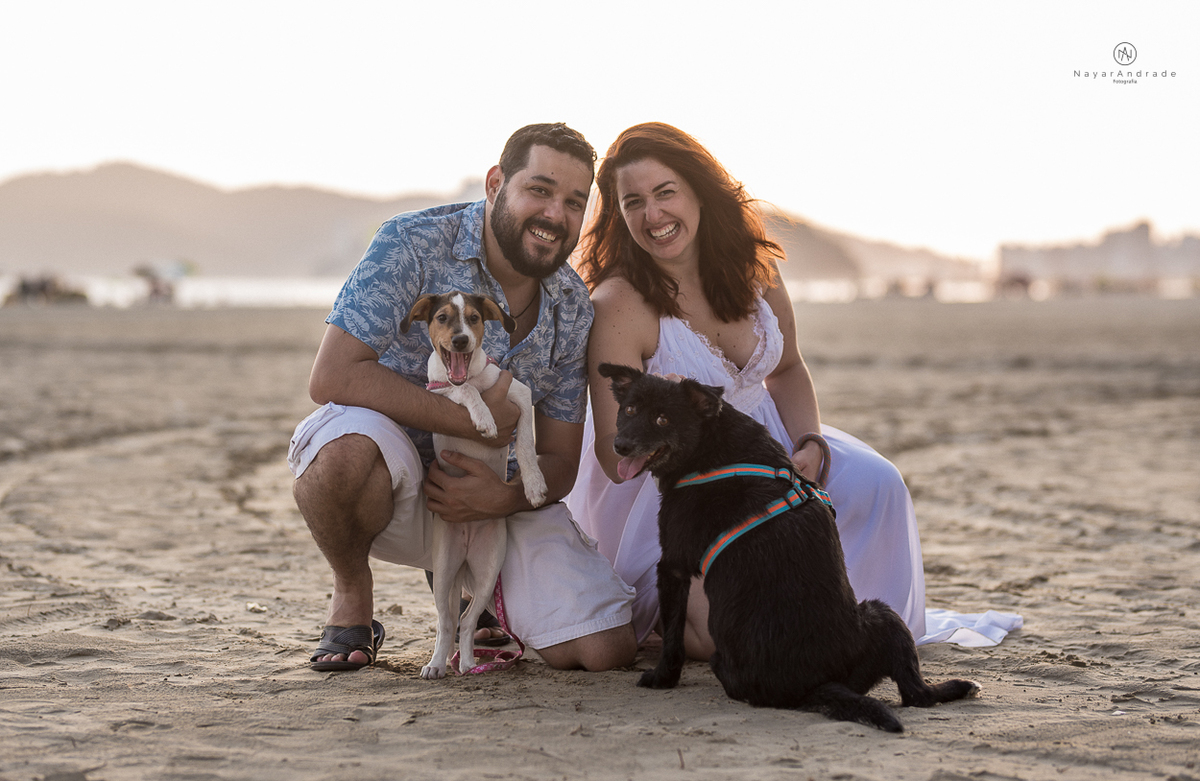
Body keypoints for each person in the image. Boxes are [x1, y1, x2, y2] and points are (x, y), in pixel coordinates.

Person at [567, 122, 1020, 658]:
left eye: (665, 192)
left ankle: (853, 629)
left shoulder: (751, 267)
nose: (653, 215)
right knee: (722, 634)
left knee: (877, 483)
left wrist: (809, 442)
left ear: (699, 192)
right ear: (618, 215)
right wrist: (659, 411)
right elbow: (611, 451)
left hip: (763, 442)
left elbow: (786, 369)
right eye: (633, 202)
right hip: (676, 483)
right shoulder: (618, 303)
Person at [289, 123, 637, 672]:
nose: (555, 214)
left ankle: (479, 592)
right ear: (496, 184)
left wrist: (501, 499)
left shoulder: (573, 305)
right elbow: (331, 376)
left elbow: (561, 459)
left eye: (574, 202)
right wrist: (470, 420)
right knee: (340, 455)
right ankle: (352, 595)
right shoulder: (412, 243)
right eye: (540, 190)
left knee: (604, 648)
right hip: (394, 482)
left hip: (495, 502)